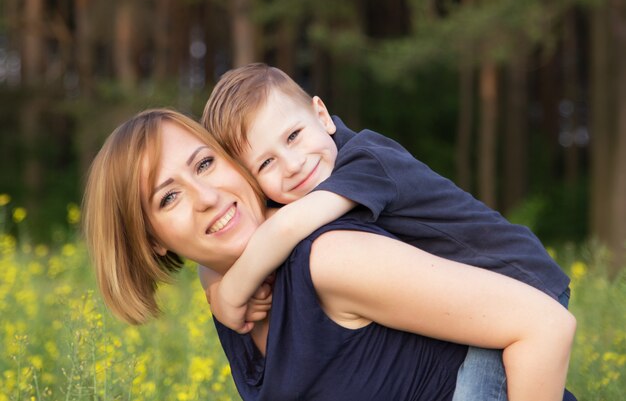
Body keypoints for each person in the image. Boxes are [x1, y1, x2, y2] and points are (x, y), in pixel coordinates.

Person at [82, 109, 576, 401]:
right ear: (151, 239)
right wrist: (220, 286)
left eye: (206, 163)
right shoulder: (234, 290)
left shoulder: (328, 258)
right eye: (168, 197)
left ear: (235, 161)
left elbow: (545, 325)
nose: (206, 196)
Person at [199, 63, 575, 401]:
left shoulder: (368, 161)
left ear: (322, 115)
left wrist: (232, 291)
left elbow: (286, 226)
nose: (293, 164)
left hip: (519, 279)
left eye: (294, 135)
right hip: (486, 296)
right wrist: (211, 279)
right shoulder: (315, 177)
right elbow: (250, 232)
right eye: (266, 162)